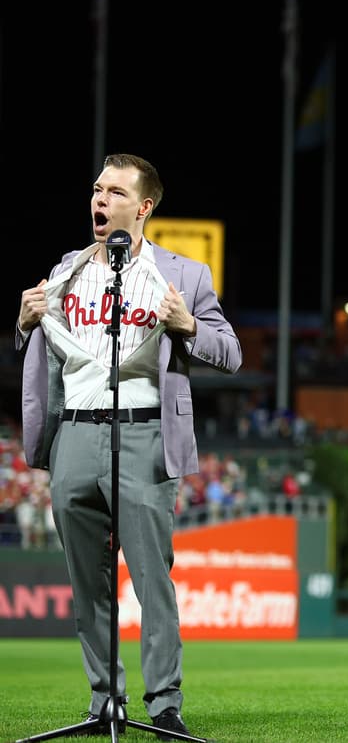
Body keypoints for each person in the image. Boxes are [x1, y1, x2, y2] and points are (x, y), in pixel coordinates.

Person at [17, 153, 242, 740]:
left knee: (151, 580)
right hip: (75, 434)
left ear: (143, 207)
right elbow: (43, 351)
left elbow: (230, 351)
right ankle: (104, 702)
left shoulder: (184, 276)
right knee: (85, 582)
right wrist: (22, 324)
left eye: (115, 192)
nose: (100, 199)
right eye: (96, 189)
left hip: (144, 434)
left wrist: (188, 325)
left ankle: (164, 704)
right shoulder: (65, 270)